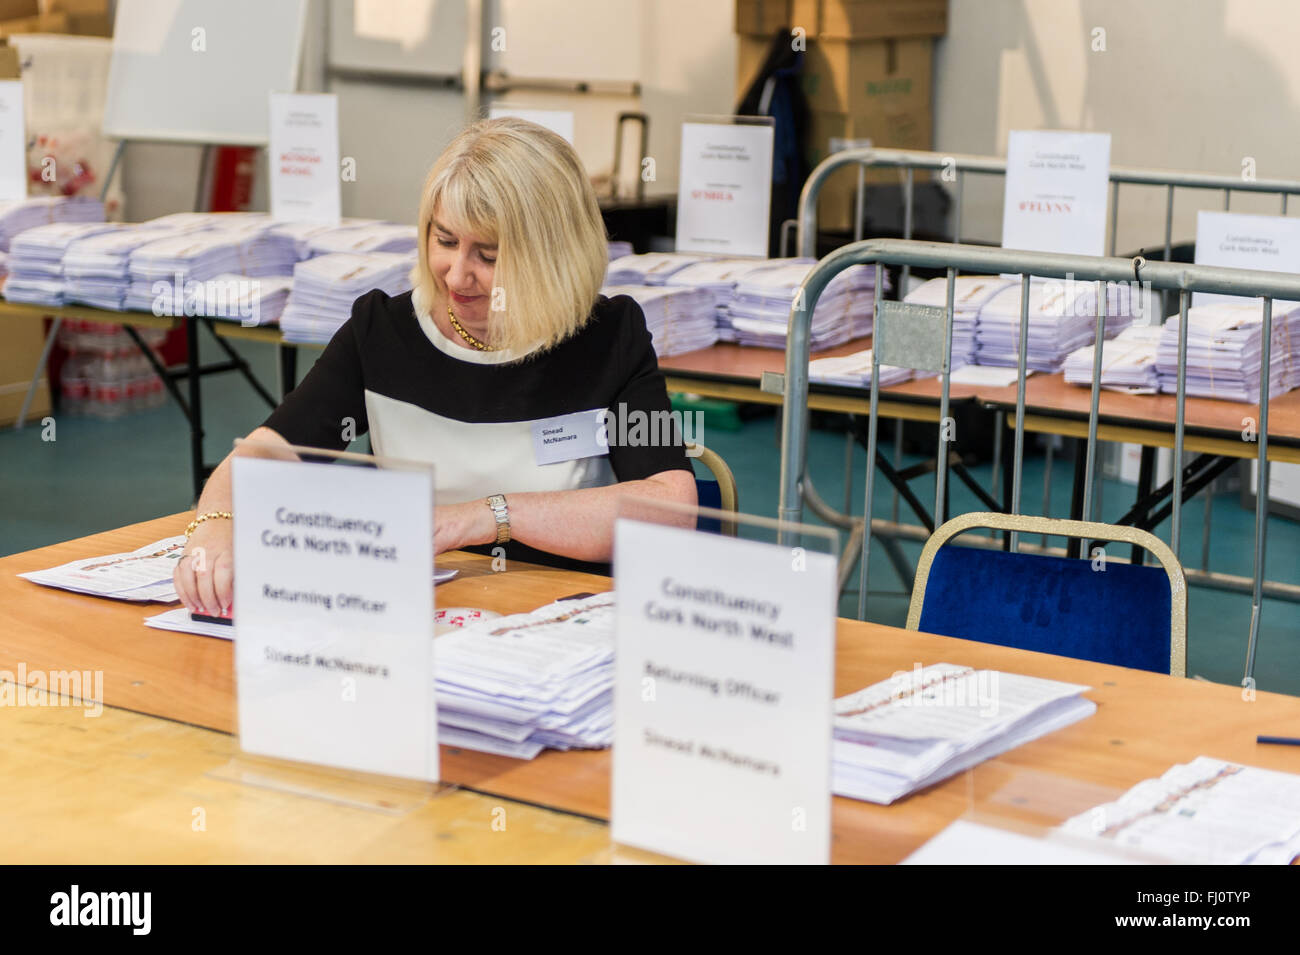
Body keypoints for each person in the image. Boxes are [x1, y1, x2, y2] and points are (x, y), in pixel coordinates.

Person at [174, 118, 697, 617]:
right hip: (419, 613)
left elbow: (672, 506)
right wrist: (217, 523)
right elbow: (270, 450)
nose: (456, 273)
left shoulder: (608, 339)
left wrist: (482, 517)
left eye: (488, 255)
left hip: (561, 615)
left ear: (553, 255)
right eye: (444, 240)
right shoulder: (382, 332)